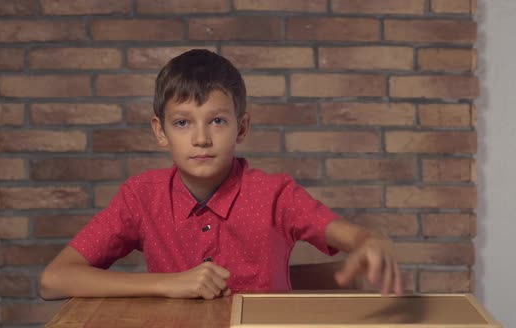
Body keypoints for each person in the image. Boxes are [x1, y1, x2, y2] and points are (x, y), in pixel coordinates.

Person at [39, 49, 403, 300]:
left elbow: (350, 235)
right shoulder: (141, 196)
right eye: (182, 123)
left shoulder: (276, 194)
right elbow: (53, 280)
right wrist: (168, 285)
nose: (200, 138)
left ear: (241, 128)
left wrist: (372, 240)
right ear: (160, 131)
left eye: (217, 120)